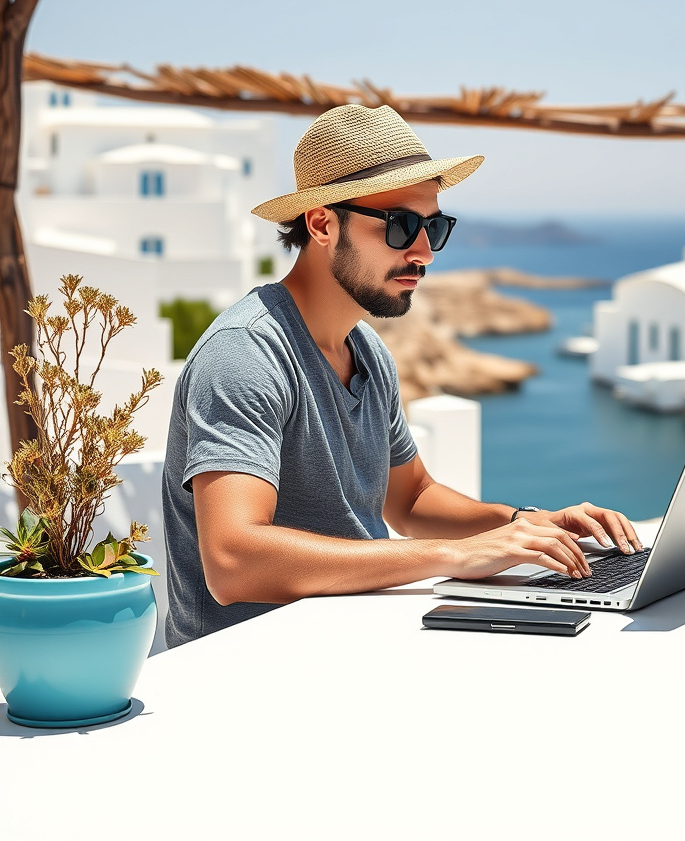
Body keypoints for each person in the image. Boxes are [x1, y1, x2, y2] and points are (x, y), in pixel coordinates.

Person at [162, 104, 641, 647]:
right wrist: (455, 556)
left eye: (433, 227)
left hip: (355, 641)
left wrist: (525, 524)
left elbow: (410, 501)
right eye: (402, 226)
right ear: (322, 223)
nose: (424, 253)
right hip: (252, 668)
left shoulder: (365, 349)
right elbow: (233, 562)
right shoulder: (246, 352)